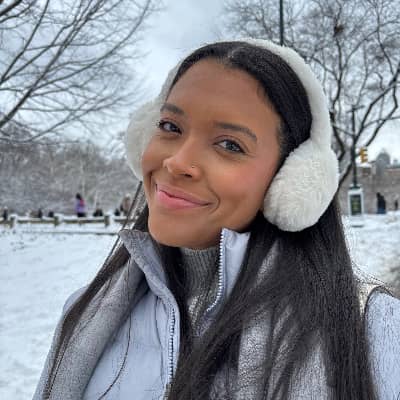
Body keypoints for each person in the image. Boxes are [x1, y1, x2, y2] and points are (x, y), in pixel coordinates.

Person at [34, 40, 400, 400]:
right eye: (170, 126)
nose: (177, 162)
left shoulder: (376, 332)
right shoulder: (83, 313)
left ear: (290, 182)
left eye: (229, 145)